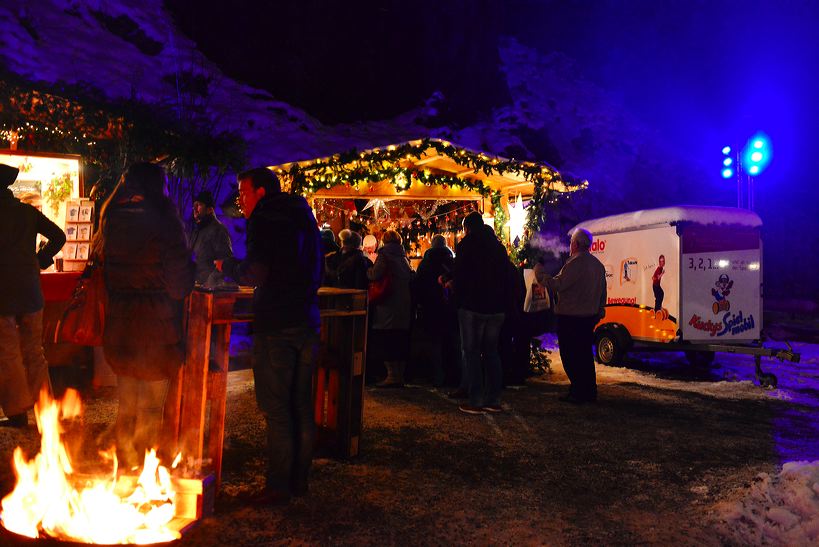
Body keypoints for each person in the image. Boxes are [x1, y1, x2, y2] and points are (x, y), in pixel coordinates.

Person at [217, 167, 322, 506]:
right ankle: (299, 482)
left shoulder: (264, 218)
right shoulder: (303, 213)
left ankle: (278, 487)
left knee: (276, 408)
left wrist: (228, 267)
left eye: (243, 193)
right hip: (307, 319)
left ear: (260, 192)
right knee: (301, 405)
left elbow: (256, 273)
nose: (241, 201)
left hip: (277, 323)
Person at [95, 162, 194, 466]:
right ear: (158, 187)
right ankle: (144, 473)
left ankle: (123, 468)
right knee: (151, 409)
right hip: (157, 327)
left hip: (121, 325)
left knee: (127, 406)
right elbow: (179, 285)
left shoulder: (111, 217)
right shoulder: (165, 220)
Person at [0, 164, 65, 428]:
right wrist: (40, 259)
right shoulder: (27, 212)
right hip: (30, 290)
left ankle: (17, 414)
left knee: (7, 354)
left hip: (2, 292)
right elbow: (59, 236)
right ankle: (45, 411)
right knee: (34, 352)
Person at [451, 212, 511, 414]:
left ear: (467, 228)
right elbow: (506, 275)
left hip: (472, 306)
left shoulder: (466, 246)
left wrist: (455, 293)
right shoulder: (498, 247)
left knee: (472, 352)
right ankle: (493, 399)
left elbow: (460, 274)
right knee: (492, 352)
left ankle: (475, 400)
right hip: (496, 307)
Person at [541, 228, 606, 404]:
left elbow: (559, 285)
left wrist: (543, 277)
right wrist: (599, 312)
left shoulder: (575, 263)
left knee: (571, 355)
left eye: (571, 243)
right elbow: (603, 293)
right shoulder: (598, 265)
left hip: (571, 317)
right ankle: (588, 391)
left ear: (576, 244)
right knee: (584, 356)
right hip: (589, 317)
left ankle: (578, 390)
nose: (570, 246)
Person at [367, 230, 413, 387]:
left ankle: (392, 375)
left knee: (386, 337)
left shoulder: (384, 256)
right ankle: (399, 374)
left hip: (387, 302)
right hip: (403, 302)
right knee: (399, 337)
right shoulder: (403, 257)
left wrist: (368, 270)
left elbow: (375, 274)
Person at [414, 234, 458, 387]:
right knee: (450, 341)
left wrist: (419, 303)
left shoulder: (426, 264)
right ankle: (452, 375)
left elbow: (418, 285)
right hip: (450, 308)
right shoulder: (452, 262)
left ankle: (437, 376)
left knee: (434, 342)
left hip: (431, 307)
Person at [190, 190, 233, 287]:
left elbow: (225, 260)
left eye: (199, 205)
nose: (195, 208)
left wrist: (209, 283)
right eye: (194, 205)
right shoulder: (197, 230)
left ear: (210, 209)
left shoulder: (218, 230)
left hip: (210, 292)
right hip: (197, 289)